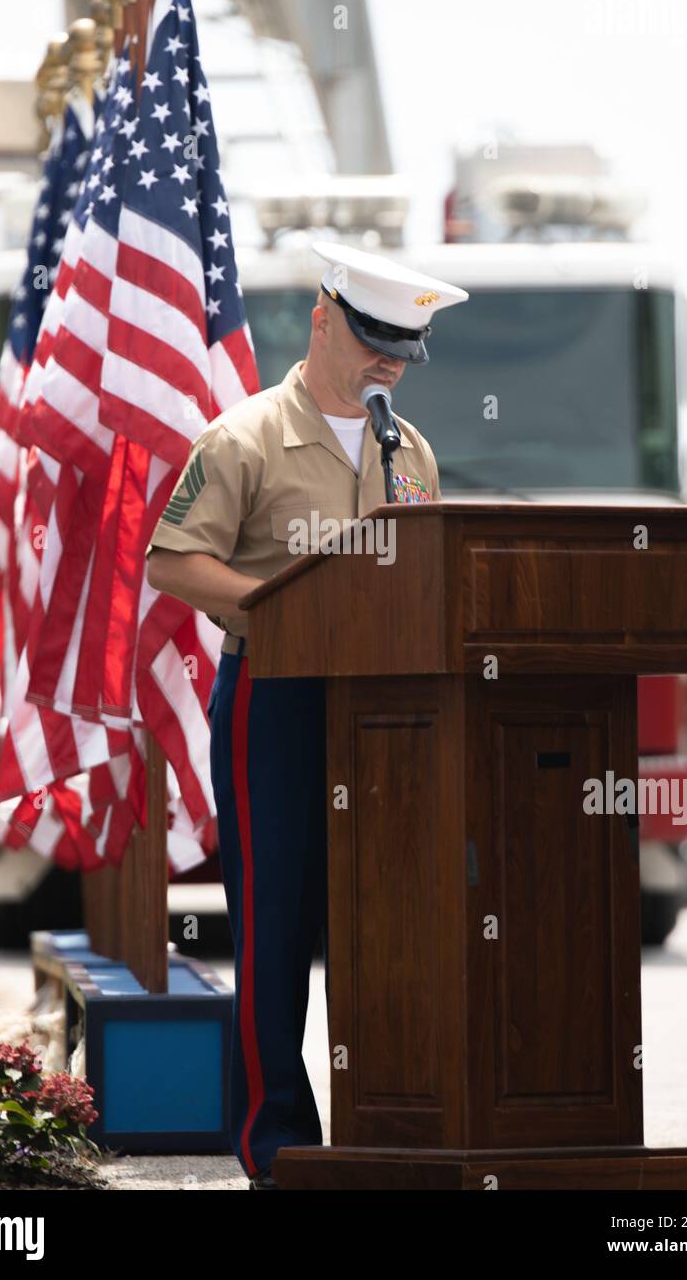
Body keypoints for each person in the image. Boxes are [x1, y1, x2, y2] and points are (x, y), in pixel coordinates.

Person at [145, 240, 468, 1188]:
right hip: (275, 704)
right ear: (322, 320)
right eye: (373, 339)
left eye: (405, 348)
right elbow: (173, 561)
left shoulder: (411, 451)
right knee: (277, 920)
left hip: (391, 715)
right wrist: (279, 609)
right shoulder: (241, 438)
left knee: (392, 916)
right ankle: (275, 1140)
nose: (389, 363)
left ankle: (391, 1119)